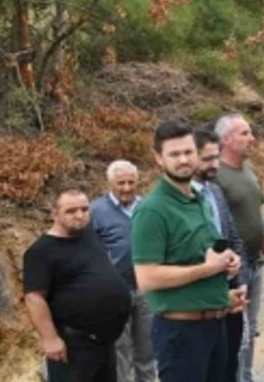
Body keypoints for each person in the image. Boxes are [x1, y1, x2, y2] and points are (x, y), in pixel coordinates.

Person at [131, 121, 243, 382]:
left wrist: (226, 265)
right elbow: (147, 278)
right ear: (159, 159)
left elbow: (202, 255)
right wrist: (207, 269)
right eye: (174, 154)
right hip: (180, 334)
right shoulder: (152, 210)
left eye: (188, 152)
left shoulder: (200, 198)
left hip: (215, 325)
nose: (183, 160)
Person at [24, 187, 133, 382]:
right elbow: (34, 297)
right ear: (54, 214)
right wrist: (50, 338)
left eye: (84, 209)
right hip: (74, 345)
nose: (80, 215)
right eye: (71, 211)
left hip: (105, 342)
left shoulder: (89, 236)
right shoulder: (41, 251)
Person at [89, 161, 158, 382]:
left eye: (131, 182)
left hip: (147, 288)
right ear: (110, 183)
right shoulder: (96, 211)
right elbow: (89, 251)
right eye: (121, 183)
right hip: (116, 291)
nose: (127, 187)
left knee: (147, 347)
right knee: (120, 350)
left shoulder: (147, 207)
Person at [192, 128, 251, 382]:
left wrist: (242, 279)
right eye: (207, 159)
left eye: (216, 157)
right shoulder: (180, 199)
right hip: (198, 301)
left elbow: (233, 237)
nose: (214, 164)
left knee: (228, 364)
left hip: (231, 292)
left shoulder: (214, 191)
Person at [214, 113, 264, 382]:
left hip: (255, 265)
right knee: (235, 333)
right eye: (244, 133)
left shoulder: (249, 170)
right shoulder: (217, 178)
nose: (252, 138)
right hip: (233, 271)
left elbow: (257, 215)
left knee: (251, 330)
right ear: (225, 140)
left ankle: (246, 376)